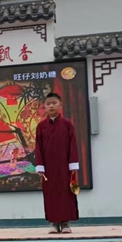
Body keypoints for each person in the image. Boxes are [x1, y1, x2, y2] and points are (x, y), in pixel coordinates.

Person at [34, 92, 79, 234]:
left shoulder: (67, 125)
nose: (51, 106)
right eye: (48, 104)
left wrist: (73, 165)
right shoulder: (41, 126)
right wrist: (40, 166)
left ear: (61, 105)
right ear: (44, 107)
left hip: (64, 167)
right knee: (50, 194)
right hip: (48, 168)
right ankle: (53, 223)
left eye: (54, 103)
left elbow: (73, 146)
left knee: (66, 193)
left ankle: (65, 223)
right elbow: (38, 147)